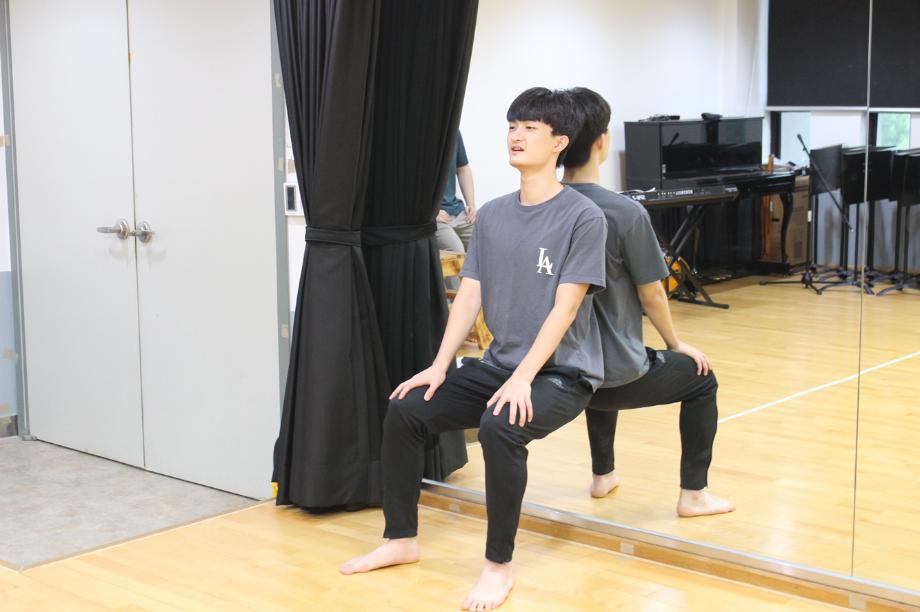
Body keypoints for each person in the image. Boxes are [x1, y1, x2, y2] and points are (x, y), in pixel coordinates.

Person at [341, 87, 607, 611]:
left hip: (561, 374)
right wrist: (438, 367)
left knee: (500, 425)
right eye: (512, 126)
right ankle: (400, 539)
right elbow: (469, 293)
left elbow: (566, 308)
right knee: (406, 408)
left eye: (530, 128)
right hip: (500, 366)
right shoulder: (493, 216)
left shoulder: (582, 217)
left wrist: (524, 377)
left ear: (560, 142)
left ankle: (497, 566)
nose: (516, 136)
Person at [561, 87, 734, 518]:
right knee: (702, 379)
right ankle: (694, 495)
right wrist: (677, 344)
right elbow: (653, 292)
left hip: (562, 373)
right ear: (602, 141)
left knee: (598, 344)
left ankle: (603, 475)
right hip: (613, 381)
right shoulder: (624, 212)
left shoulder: (541, 206)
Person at [436, 131, 476, 254]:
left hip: (458, 211)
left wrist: (471, 205)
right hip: (434, 219)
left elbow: (463, 168)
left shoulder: (452, 129)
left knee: (490, 244)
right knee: (456, 254)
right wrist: (428, 214)